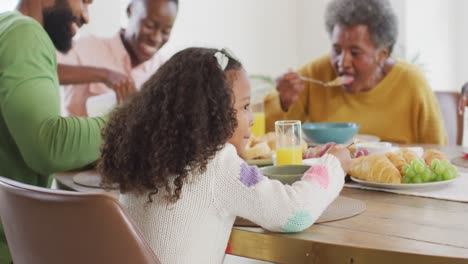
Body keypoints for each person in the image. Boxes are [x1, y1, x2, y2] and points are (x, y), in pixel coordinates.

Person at [97, 47, 352, 263]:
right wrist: (334, 164)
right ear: (210, 113)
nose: (251, 119)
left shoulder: (147, 158)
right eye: (244, 106)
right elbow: (294, 213)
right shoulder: (217, 164)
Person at [0, 0, 105, 262]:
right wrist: (128, 120)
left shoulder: (7, 27)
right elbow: (48, 145)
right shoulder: (26, 33)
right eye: (84, 1)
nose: (86, 16)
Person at [265, 0, 447, 145]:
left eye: (355, 53)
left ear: (382, 54)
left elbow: (438, 151)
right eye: (336, 49)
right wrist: (283, 101)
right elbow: (266, 141)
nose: (342, 62)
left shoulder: (412, 83)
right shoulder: (314, 74)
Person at [57, 0, 178, 116]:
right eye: (149, 25)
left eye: (166, 32)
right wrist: (105, 75)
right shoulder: (85, 47)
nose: (156, 38)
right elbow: (45, 69)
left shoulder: (165, 71)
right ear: (130, 11)